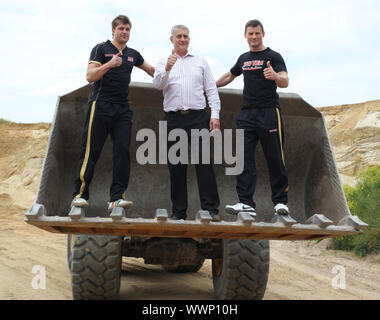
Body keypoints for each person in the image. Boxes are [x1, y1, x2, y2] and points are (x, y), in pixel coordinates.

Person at [71, 15, 155, 212]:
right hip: (100, 105)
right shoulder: (101, 48)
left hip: (122, 109)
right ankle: (79, 195)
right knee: (91, 151)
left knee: (123, 152)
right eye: (121, 29)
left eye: (127, 29)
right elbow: (90, 76)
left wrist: (168, 69)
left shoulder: (133, 54)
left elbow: (152, 70)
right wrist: (109, 64)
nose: (124, 32)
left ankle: (116, 198)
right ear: (113, 30)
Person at [216, 19, 290, 217]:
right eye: (250, 33)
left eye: (257, 33)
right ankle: (246, 202)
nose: (254, 37)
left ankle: (280, 202)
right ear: (245, 35)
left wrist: (274, 75)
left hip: (269, 112)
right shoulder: (243, 58)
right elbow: (230, 76)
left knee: (274, 157)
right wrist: (211, 85)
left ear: (263, 34)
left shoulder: (273, 56)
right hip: (247, 114)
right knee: (243, 157)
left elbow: (285, 82)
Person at [153, 25, 221, 221]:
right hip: (174, 119)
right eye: (179, 36)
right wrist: (167, 68)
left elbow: (211, 90)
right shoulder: (162, 62)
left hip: (198, 117)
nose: (183, 39)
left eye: (186, 36)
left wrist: (214, 115)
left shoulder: (200, 61)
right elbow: (158, 85)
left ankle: (211, 210)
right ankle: (179, 212)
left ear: (189, 39)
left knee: (204, 163)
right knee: (176, 166)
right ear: (171, 39)